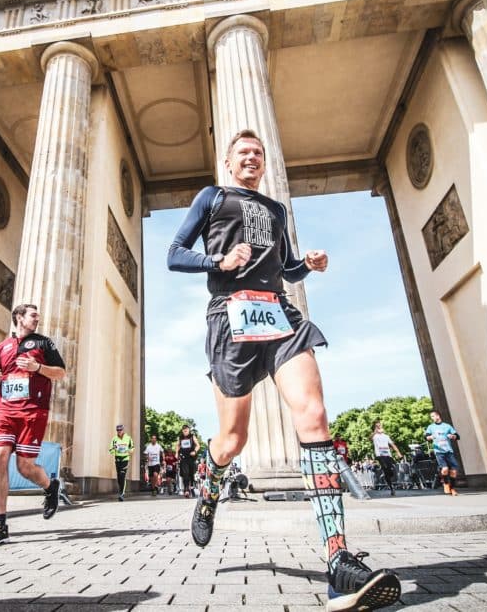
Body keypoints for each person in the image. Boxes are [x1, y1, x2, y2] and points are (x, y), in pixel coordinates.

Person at [167, 129, 401, 610]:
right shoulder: (212, 197)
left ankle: (338, 561)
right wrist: (219, 258)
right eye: (244, 153)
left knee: (313, 415)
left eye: (259, 153)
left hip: (279, 312)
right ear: (229, 162)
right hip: (229, 313)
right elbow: (174, 254)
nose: (252, 158)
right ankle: (209, 490)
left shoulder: (275, 211)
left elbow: (287, 268)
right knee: (233, 439)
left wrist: (307, 265)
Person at [0, 303, 66, 547]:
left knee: (25, 467)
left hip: (32, 410)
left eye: (38, 315)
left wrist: (38, 367)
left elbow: (60, 373)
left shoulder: (44, 343)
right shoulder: (3, 346)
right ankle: (0, 524)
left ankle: (50, 487)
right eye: (33, 315)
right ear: (19, 317)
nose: (37, 319)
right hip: (6, 409)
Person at [425, 410, 461, 496]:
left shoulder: (447, 426)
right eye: (431, 417)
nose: (433, 418)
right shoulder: (431, 427)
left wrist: (452, 436)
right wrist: (430, 437)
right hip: (439, 451)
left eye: (434, 416)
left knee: (454, 471)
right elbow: (426, 437)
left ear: (438, 416)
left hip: (448, 451)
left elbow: (457, 436)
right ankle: (445, 483)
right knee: (445, 469)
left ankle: (452, 488)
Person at [371, 420, 404, 497]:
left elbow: (392, 444)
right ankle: (391, 487)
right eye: (377, 426)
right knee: (386, 469)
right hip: (380, 455)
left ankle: (387, 477)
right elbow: (370, 438)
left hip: (388, 455)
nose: (379, 427)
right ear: (375, 428)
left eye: (380, 425)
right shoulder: (375, 436)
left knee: (391, 471)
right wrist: (375, 431)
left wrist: (398, 453)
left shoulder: (386, 436)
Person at [108, 424, 134, 501]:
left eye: (120, 430)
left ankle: (122, 493)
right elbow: (110, 451)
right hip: (118, 459)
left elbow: (132, 448)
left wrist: (128, 450)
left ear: (123, 430)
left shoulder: (128, 438)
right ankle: (120, 490)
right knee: (119, 477)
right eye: (118, 430)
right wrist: (114, 448)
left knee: (122, 475)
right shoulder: (114, 439)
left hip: (125, 458)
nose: (119, 431)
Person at [176, 424, 200, 498]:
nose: (185, 431)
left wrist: (195, 451)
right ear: (182, 431)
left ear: (189, 430)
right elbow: (178, 445)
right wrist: (176, 453)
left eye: (186, 430)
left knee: (191, 474)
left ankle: (192, 487)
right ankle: (186, 489)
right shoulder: (180, 437)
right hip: (183, 457)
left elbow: (198, 445)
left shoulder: (192, 436)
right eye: (184, 430)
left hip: (191, 457)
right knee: (185, 473)